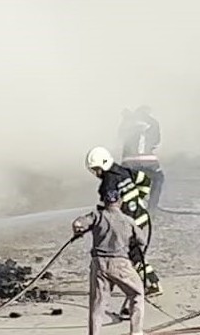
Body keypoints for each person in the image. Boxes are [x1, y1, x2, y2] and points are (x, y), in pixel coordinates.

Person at [85, 146, 163, 296]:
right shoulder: (124, 171)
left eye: (96, 169)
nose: (95, 173)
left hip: (129, 223)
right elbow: (145, 180)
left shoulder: (108, 185)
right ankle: (144, 282)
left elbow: (107, 211)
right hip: (141, 217)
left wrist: (90, 224)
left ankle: (152, 283)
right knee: (134, 252)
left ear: (103, 165)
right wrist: (138, 198)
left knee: (132, 254)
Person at [72, 188, 146, 335]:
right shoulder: (128, 221)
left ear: (105, 202)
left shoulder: (97, 216)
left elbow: (78, 223)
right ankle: (136, 332)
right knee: (136, 294)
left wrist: (78, 232)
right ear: (120, 202)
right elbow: (142, 240)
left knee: (97, 304)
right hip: (120, 263)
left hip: (99, 264)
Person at [118, 106, 165, 208]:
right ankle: (152, 209)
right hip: (148, 161)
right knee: (158, 178)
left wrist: (126, 118)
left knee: (125, 181)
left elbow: (121, 137)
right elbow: (156, 142)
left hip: (128, 161)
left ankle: (125, 206)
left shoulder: (127, 122)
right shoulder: (153, 123)